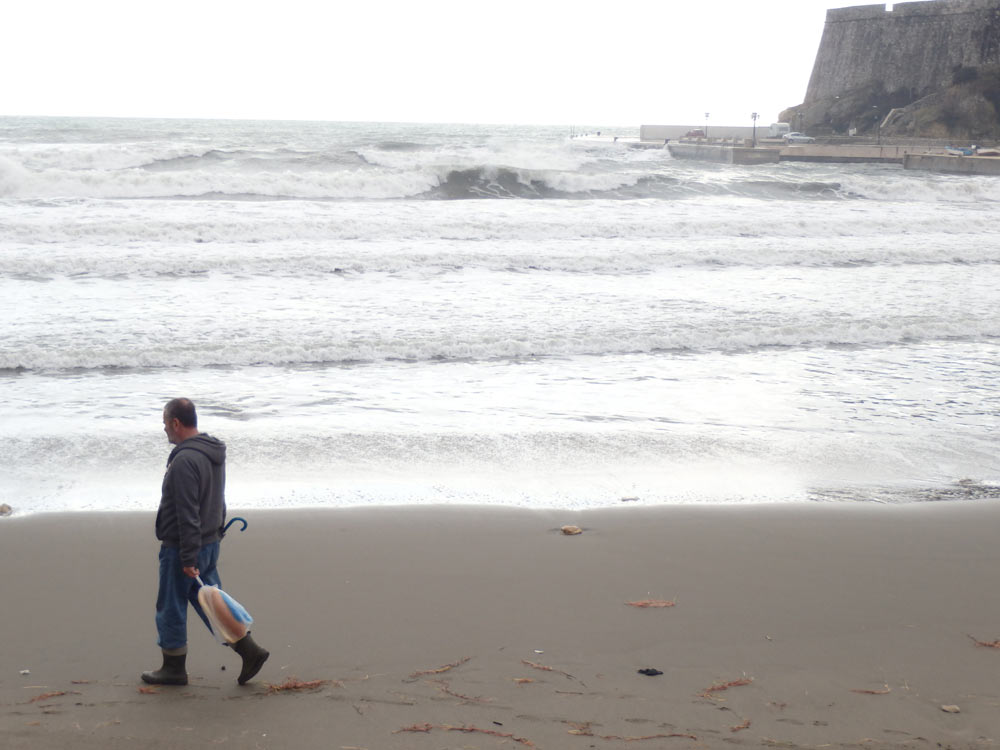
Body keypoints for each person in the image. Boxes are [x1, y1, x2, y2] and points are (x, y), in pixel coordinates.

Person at [141, 397, 269, 686]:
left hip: (185, 546)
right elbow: (216, 499)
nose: (164, 430)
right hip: (209, 541)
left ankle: (173, 668)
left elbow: (187, 513)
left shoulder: (186, 460)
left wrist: (187, 557)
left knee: (171, 605)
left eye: (164, 423)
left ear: (176, 422)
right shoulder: (211, 452)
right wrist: (213, 536)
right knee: (210, 602)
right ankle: (250, 651)